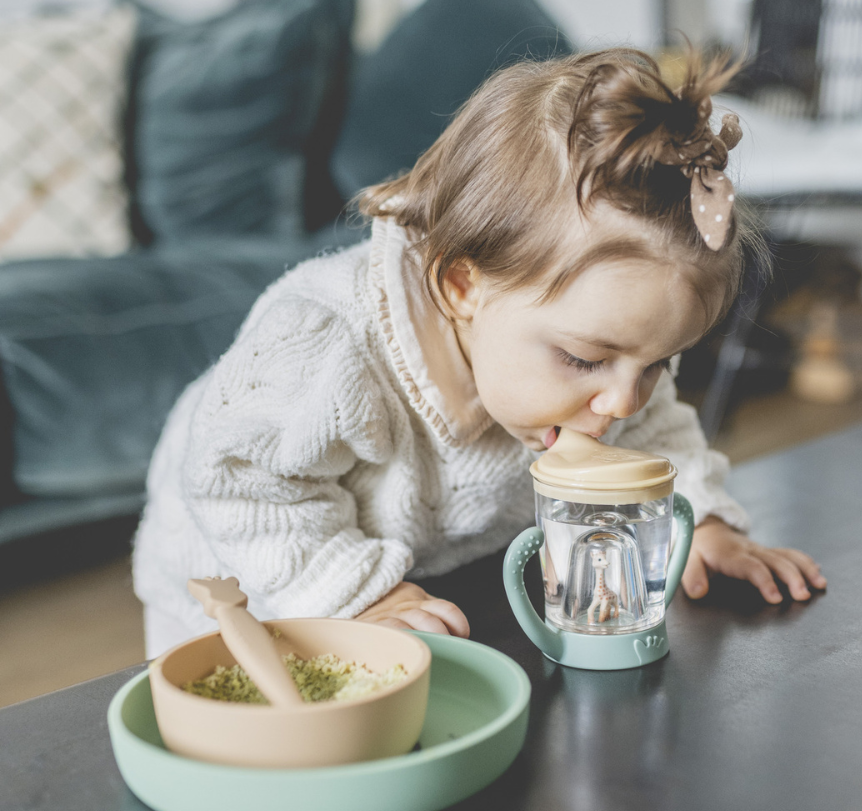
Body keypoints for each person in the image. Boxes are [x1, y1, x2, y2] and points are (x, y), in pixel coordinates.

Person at [133, 48, 826, 657]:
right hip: (233, 572)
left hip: (414, 571)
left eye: (656, 363)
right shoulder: (325, 346)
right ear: (463, 284)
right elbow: (243, 484)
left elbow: (654, 433)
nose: (622, 400)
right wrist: (353, 596)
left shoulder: (605, 376)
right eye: (587, 359)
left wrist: (699, 519)